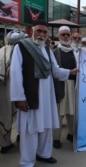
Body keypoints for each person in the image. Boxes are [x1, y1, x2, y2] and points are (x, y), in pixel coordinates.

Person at [10, 20, 78, 166]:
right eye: (39, 31)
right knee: (30, 130)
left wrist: (70, 71)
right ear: (32, 31)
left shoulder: (46, 49)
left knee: (46, 126)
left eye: (44, 32)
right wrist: (19, 97)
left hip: (47, 97)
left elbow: (55, 70)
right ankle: (27, 161)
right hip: (30, 96)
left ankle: (44, 154)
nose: (41, 34)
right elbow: (15, 73)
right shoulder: (21, 47)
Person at [0, 29, 26, 154]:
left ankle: (5, 143)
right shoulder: (23, 52)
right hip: (17, 90)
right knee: (20, 115)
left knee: (5, 115)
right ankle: (21, 137)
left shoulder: (1, 51)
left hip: (4, 90)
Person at [53, 26, 77, 149]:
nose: (66, 37)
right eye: (63, 34)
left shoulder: (75, 52)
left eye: (68, 34)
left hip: (73, 85)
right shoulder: (54, 51)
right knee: (59, 113)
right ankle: (55, 138)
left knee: (72, 112)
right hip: (60, 85)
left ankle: (71, 134)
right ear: (59, 36)